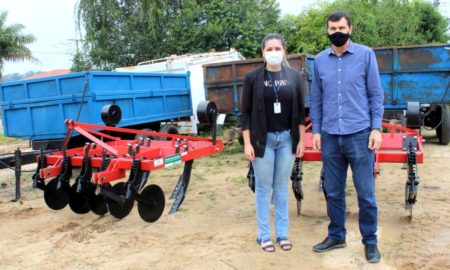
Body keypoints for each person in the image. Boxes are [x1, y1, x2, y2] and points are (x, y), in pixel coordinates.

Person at [310, 11, 384, 263]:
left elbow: (375, 94)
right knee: (333, 191)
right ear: (328, 31)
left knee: (365, 193)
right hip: (330, 137)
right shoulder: (319, 61)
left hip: (360, 136)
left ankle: (370, 241)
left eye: (341, 27)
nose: (337, 32)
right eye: (332, 28)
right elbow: (316, 100)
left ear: (350, 29)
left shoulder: (365, 55)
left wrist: (376, 128)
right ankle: (337, 235)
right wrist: (316, 130)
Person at [241, 33, 306, 252]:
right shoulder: (253, 78)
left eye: (277, 49)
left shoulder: (294, 77)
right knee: (262, 187)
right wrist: (247, 143)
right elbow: (245, 113)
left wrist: (301, 140)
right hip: (262, 140)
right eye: (269, 49)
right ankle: (264, 235)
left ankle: (282, 233)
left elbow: (299, 112)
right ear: (263, 52)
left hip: (287, 140)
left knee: (281, 187)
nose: (274, 53)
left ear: (284, 51)